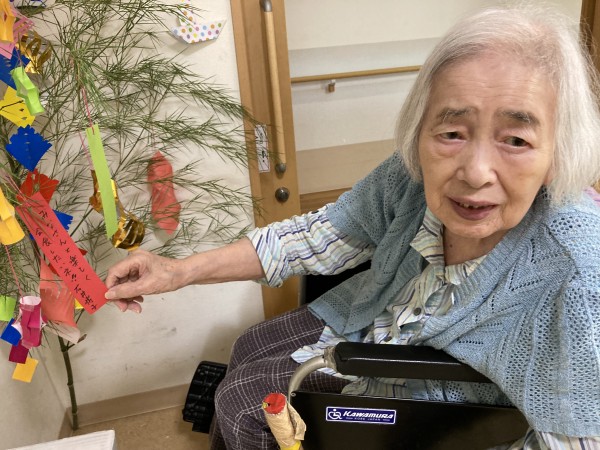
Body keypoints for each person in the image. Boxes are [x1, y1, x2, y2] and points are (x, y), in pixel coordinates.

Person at [105, 3, 600, 449]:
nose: (475, 172)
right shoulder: (409, 175)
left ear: (559, 153)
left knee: (241, 404)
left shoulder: (578, 269)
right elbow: (319, 236)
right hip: (377, 315)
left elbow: (578, 433)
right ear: (420, 129)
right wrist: (178, 271)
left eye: (516, 140)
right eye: (452, 132)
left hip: (437, 390)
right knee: (248, 345)